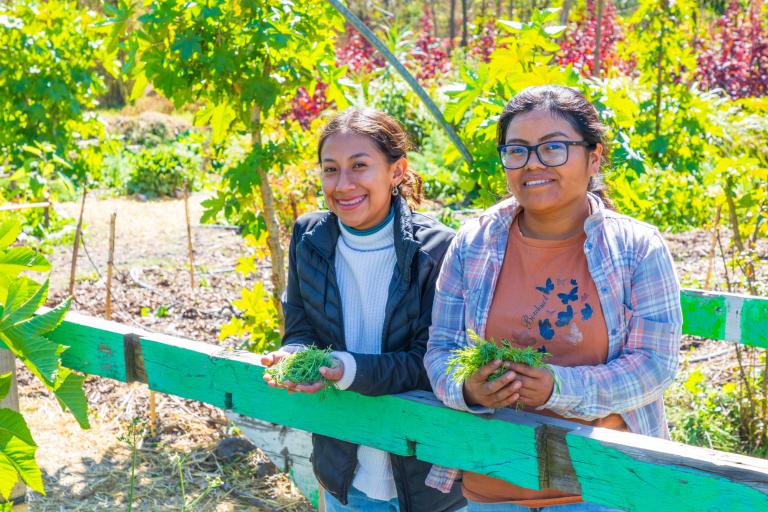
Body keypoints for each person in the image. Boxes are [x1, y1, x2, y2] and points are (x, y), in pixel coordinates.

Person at [424, 85, 682, 511]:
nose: (533, 164)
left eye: (553, 148)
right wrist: (467, 388)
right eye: (517, 150)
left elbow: (655, 366)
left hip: (600, 486)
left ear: (593, 156)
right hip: (493, 481)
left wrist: (556, 388)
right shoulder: (474, 243)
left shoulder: (637, 248)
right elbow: (442, 350)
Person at [261, 108, 466, 512]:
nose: (343, 184)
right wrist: (293, 356)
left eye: (360, 166)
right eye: (330, 169)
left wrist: (346, 369)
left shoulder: (438, 250)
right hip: (345, 471)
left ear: (396, 171)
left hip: (423, 475)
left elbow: (432, 363)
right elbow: (301, 327)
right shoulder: (309, 236)